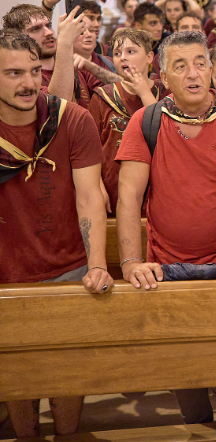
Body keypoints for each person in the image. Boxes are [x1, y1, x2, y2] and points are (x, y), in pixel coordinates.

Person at [115, 31, 216, 441]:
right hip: (166, 261)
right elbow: (128, 197)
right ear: (163, 76)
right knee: (186, 376)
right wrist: (130, 263)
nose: (194, 73)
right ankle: (199, 415)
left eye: (200, 62)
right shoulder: (146, 121)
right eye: (180, 66)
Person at [0, 31, 112, 438]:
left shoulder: (70, 119)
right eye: (13, 73)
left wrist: (97, 263)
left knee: (67, 373)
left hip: (67, 265)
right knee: (17, 373)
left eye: (33, 71)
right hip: (7, 274)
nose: (28, 83)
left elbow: (89, 197)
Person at [88, 28, 162, 215]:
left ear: (149, 57)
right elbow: (89, 151)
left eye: (131, 52)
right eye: (117, 54)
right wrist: (98, 188)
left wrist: (144, 92)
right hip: (113, 192)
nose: (123, 58)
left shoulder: (166, 92)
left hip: (159, 193)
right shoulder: (102, 96)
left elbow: (167, 137)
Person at [3, 3, 85, 102]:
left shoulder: (77, 67)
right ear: (19, 39)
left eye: (49, 25)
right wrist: (65, 42)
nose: (49, 32)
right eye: (35, 29)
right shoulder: (24, 78)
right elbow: (59, 106)